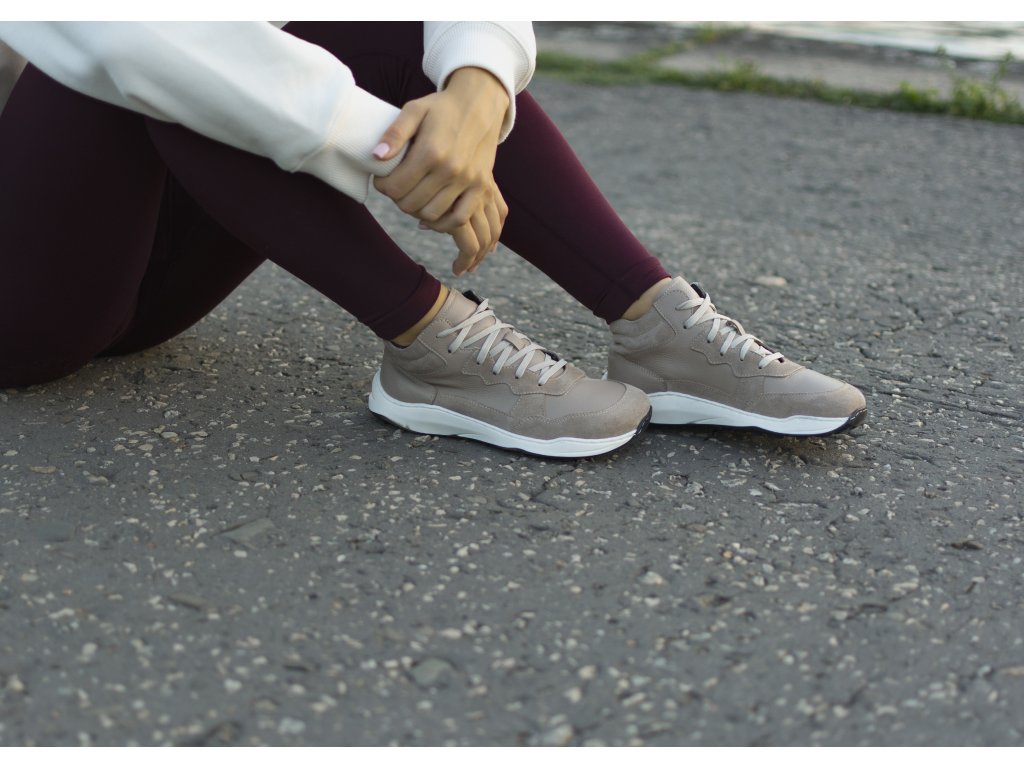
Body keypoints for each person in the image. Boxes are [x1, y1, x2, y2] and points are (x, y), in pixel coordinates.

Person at [0, 21, 866, 458]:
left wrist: (478, 86)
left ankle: (657, 327)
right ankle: (431, 346)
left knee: (358, 28)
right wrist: (389, 145)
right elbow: (123, 31)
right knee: (181, 56)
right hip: (23, 306)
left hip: (125, 248)